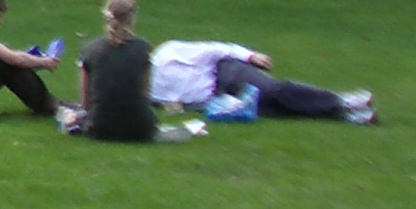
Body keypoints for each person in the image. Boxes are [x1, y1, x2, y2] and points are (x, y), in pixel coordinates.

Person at [152, 39, 375, 123]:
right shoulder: (145, 93)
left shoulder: (169, 54)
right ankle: (346, 116)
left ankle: (342, 101)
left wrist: (250, 56)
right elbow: (177, 105)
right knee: (274, 111)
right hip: (217, 99)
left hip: (227, 73)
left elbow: (214, 50)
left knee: (273, 91)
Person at [74, 0, 158, 142]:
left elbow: (86, 103)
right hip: (141, 128)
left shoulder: (89, 50)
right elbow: (145, 93)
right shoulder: (144, 48)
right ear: (132, 18)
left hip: (99, 128)